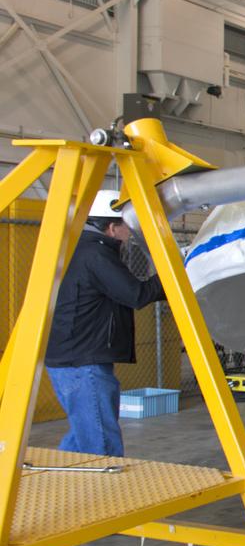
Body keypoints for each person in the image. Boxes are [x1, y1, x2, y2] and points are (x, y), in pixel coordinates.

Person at [45, 190, 166, 457]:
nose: (130, 233)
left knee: (84, 433)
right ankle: (103, 481)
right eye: (128, 227)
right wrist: (175, 273)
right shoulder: (96, 255)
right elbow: (136, 294)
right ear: (112, 228)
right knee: (100, 442)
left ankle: (62, 476)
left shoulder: (82, 249)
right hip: (82, 362)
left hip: (73, 358)